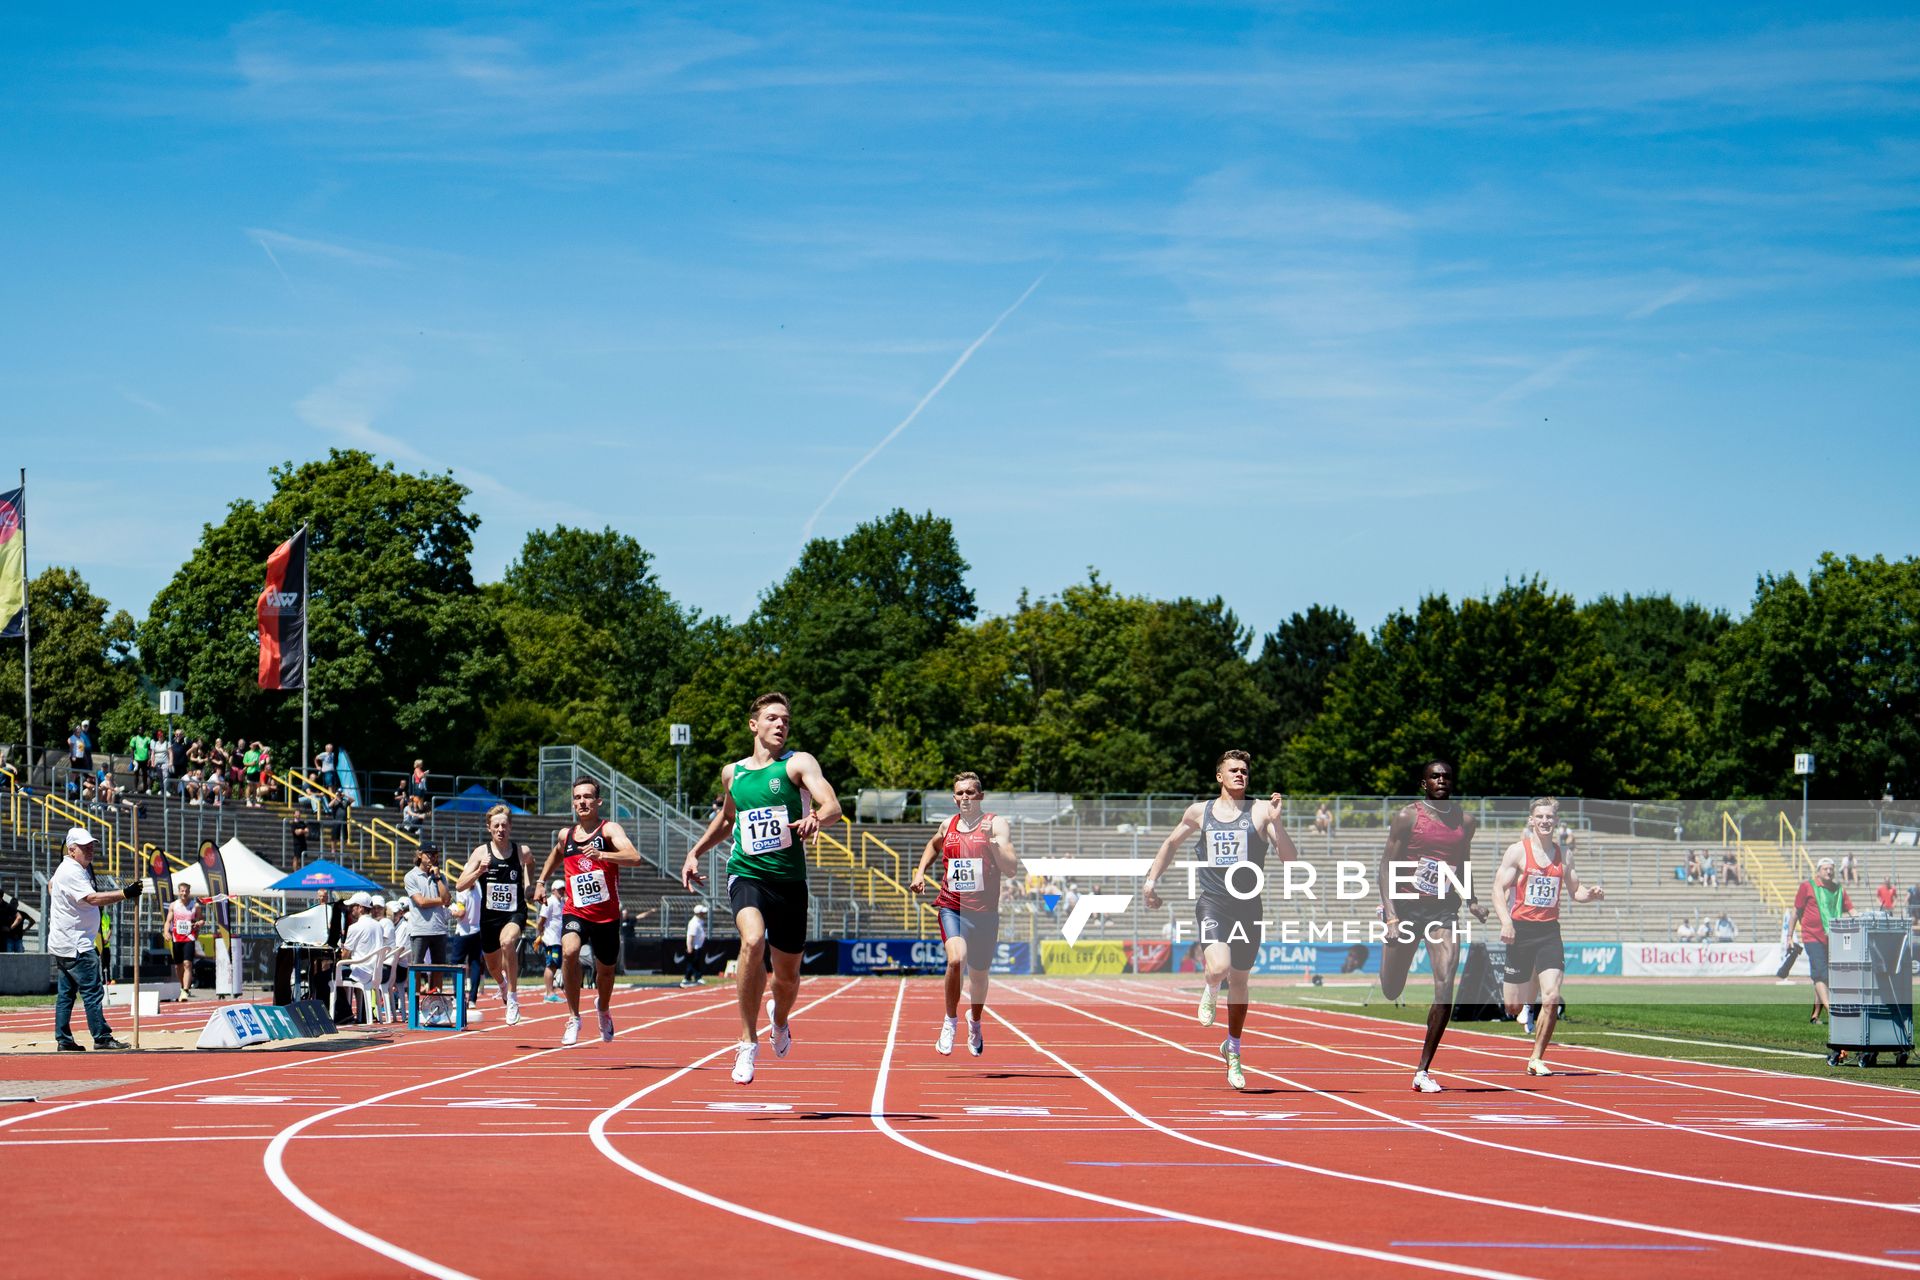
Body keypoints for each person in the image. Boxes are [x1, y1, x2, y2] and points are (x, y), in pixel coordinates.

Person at [681, 691, 843, 1085]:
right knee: (752, 942)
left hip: (789, 883)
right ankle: (745, 1042)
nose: (781, 725)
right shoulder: (732, 773)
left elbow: (833, 806)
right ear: (754, 725)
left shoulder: (798, 764)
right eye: (773, 718)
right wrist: (695, 852)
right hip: (746, 873)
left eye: (786, 720)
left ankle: (781, 1019)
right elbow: (726, 819)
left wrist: (816, 818)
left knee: (786, 978)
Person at [1142, 750, 1296, 1090]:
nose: (1240, 774)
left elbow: (1289, 859)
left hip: (1248, 907)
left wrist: (1277, 821)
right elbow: (1170, 843)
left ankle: (1234, 1049)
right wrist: (1151, 881)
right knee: (1218, 967)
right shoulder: (1201, 812)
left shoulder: (1260, 811)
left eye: (1245, 770)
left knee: (1240, 982)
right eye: (1234, 770)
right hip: (1213, 903)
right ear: (1219, 776)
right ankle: (1210, 988)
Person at [1377, 759, 1489, 1093]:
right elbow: (1385, 867)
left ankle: (1422, 1069)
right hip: (1407, 909)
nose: (1441, 780)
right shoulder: (1407, 817)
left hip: (1443, 910)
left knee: (1445, 984)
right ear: (1424, 783)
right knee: (1391, 988)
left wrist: (1471, 900)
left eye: (1447, 776)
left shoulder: (1465, 821)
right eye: (1435, 776)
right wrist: (1392, 915)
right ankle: (1389, 958)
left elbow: (1463, 863)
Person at [911, 771, 1021, 1057]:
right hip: (952, 906)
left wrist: (993, 843)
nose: (965, 798)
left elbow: (1011, 868)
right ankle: (950, 1022)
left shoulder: (996, 824)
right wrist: (921, 872)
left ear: (980, 796)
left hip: (984, 913)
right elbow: (933, 845)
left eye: (970, 793)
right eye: (960, 793)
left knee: (980, 975)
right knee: (956, 960)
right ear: (954, 797)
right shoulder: (948, 824)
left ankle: (976, 1022)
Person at [1492, 797, 1604, 1076]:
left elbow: (1575, 891)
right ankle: (1525, 999)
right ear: (1531, 820)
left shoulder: (1564, 855)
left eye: (1549, 817)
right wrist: (1506, 921)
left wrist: (1588, 895)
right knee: (1512, 1006)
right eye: (1540, 817)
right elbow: (1497, 889)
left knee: (1552, 996)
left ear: (1556, 821)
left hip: (1549, 932)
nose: (1545, 821)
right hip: (1520, 930)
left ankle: (1536, 1057)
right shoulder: (1517, 852)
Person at [537, 778, 648, 1046]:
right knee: (569, 951)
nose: (582, 802)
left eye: (588, 797)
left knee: (605, 974)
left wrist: (603, 856)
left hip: (606, 917)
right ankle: (574, 1017)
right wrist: (541, 881)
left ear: (598, 802)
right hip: (576, 912)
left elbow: (634, 857)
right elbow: (555, 853)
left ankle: (603, 1009)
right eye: (577, 798)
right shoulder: (567, 835)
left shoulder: (608, 830)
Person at [47, 827, 137, 1051]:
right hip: (77, 943)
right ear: (71, 850)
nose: (91, 850)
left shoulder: (72, 868)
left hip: (66, 941)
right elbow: (92, 898)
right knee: (92, 991)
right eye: (85, 847)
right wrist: (125, 894)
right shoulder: (71, 871)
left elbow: (51, 886)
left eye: (92, 846)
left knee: (66, 993)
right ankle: (101, 1037)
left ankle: (64, 1040)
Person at [455, 804, 533, 1025]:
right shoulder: (481, 852)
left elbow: (531, 862)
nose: (501, 829)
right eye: (496, 825)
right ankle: (502, 985)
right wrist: (479, 871)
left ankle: (513, 999)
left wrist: (529, 885)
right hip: (489, 916)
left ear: (510, 827)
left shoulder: (521, 851)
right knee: (492, 966)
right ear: (489, 828)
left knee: (508, 942)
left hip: (514, 912)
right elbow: (460, 884)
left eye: (504, 825)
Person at [1792, 857, 1852, 1026]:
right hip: (1812, 936)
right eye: (1825, 869)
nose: (1829, 871)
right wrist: (1789, 936)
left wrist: (1865, 920)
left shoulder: (1838, 889)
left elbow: (1850, 908)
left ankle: (1815, 1015)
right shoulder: (1807, 887)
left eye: (1831, 869)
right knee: (1821, 974)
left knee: (1824, 976)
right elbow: (1796, 912)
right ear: (1818, 871)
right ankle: (1832, 1011)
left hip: (1833, 937)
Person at [403, 844, 452, 977]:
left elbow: (447, 900)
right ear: (420, 855)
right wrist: (442, 900)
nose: (433, 857)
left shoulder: (440, 877)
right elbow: (421, 902)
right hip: (420, 929)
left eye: (435, 854)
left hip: (439, 929)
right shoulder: (411, 876)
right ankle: (415, 997)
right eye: (429, 854)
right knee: (417, 968)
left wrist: (437, 878)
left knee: (439, 969)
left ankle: (436, 997)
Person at [449, 879, 483, 1009]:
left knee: (456, 965)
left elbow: (461, 913)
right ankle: (473, 999)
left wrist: (451, 911)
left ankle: (459, 996)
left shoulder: (462, 889)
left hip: (464, 931)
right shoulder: (479, 886)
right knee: (475, 964)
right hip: (477, 930)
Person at [165, 882, 201, 1001]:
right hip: (177, 938)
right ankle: (182, 986)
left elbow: (201, 919)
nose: (184, 893)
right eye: (182, 891)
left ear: (189, 892)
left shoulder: (195, 906)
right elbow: (168, 921)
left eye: (186, 891)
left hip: (189, 937)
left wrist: (199, 923)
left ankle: (185, 990)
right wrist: (166, 932)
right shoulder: (173, 905)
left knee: (187, 964)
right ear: (179, 892)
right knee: (178, 966)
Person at [537, 880, 565, 1002]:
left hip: (558, 940)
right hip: (551, 940)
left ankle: (551, 991)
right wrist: (540, 935)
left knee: (554, 965)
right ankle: (549, 993)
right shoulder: (549, 902)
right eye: (559, 889)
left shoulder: (562, 902)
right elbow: (541, 921)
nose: (561, 891)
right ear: (553, 890)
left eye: (563, 889)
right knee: (551, 965)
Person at [682, 902, 709, 987]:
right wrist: (690, 947)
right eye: (703, 913)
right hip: (694, 947)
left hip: (698, 946)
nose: (704, 914)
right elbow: (691, 936)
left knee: (694, 963)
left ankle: (689, 978)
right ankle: (693, 977)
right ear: (699, 913)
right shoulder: (694, 923)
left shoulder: (699, 921)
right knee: (693, 963)